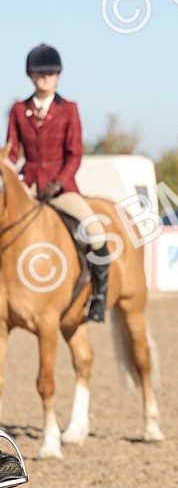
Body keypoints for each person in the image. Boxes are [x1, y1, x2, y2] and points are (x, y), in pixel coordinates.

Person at [6, 44, 111, 323]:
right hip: (28, 184)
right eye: (40, 74)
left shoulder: (69, 110)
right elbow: (12, 152)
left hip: (61, 187)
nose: (45, 78)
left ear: (58, 75)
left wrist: (59, 182)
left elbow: (75, 153)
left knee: (97, 232)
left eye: (50, 73)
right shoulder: (19, 110)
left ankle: (98, 297)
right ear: (31, 76)